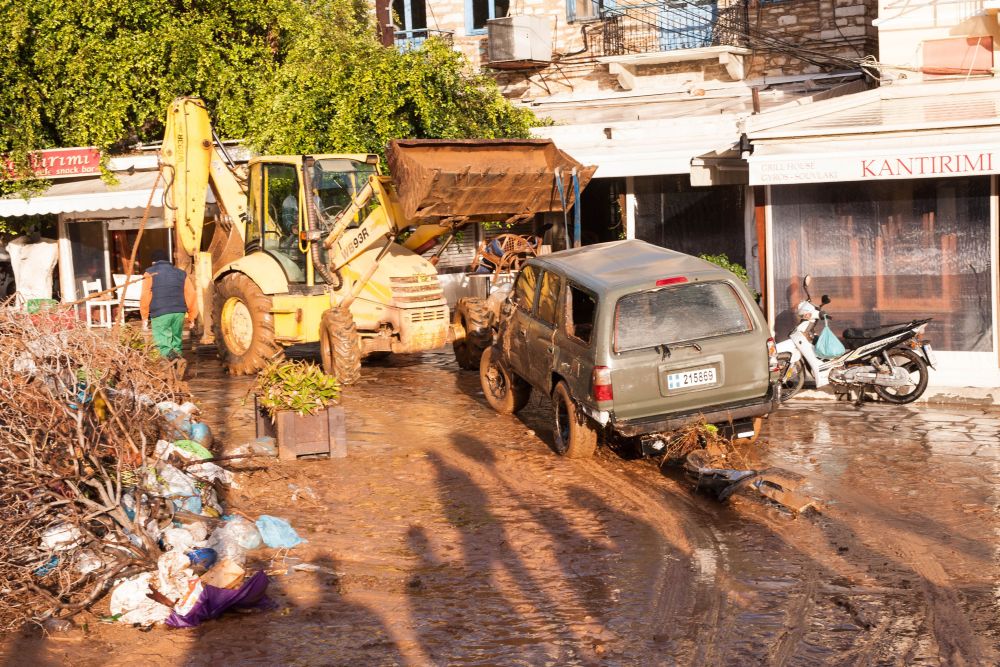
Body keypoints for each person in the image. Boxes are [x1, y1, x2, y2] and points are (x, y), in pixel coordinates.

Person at [139, 249, 198, 359]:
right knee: (176, 342)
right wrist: (192, 316)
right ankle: (177, 369)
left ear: (153, 262)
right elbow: (190, 294)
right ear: (168, 261)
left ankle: (172, 361)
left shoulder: (149, 273)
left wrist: (144, 316)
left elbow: (145, 295)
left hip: (160, 313)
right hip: (179, 313)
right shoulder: (181, 273)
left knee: (164, 344)